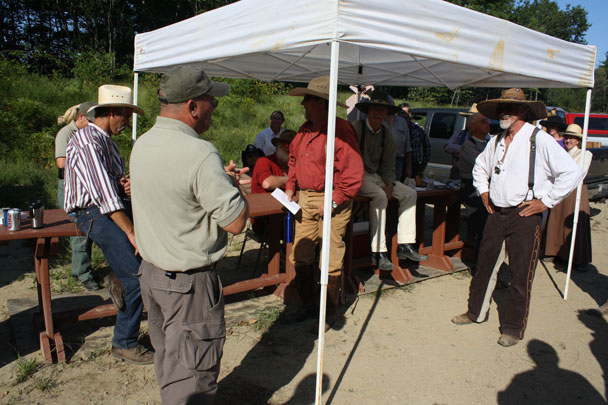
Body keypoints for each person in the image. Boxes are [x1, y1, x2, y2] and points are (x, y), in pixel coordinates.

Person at [130, 66, 248, 404]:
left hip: (152, 275)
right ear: (193, 106)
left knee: (170, 363)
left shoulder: (143, 143)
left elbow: (174, 198)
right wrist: (231, 186)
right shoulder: (200, 153)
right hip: (188, 284)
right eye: (211, 101)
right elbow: (236, 223)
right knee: (192, 378)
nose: (216, 108)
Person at [451, 88, 582, 347]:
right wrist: (485, 191)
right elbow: (480, 167)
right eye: (501, 108)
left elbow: (571, 172)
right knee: (484, 266)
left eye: (509, 108)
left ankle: (512, 328)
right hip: (496, 213)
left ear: (523, 112)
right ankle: (476, 312)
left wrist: (545, 201)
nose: (503, 113)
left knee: (521, 274)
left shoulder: (539, 139)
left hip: (524, 215)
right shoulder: (497, 140)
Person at [64, 84, 153, 364]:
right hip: (94, 212)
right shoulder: (89, 141)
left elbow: (111, 185)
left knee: (141, 263)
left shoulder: (104, 140)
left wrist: (123, 184)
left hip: (106, 208)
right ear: (113, 113)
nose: (127, 123)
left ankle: (117, 275)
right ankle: (124, 342)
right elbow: (103, 196)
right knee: (137, 276)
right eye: (125, 117)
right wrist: (131, 232)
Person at [285, 76, 364, 331]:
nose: (303, 105)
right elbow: (294, 161)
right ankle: (310, 306)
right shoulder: (304, 129)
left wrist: (333, 201)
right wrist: (290, 186)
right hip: (306, 198)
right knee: (301, 254)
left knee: (329, 259)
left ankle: (328, 314)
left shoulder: (340, 129)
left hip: (332, 199)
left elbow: (352, 173)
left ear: (321, 103)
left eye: (308, 100)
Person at [351, 90, 427, 271]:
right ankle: (378, 252)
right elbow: (349, 159)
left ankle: (405, 245)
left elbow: (388, 164)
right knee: (380, 197)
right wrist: (383, 186)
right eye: (375, 109)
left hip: (378, 175)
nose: (378, 114)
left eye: (383, 111)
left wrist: (389, 183)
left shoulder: (387, 134)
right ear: (368, 111)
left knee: (409, 193)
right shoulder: (356, 128)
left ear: (387, 114)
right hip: (358, 175)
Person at [55, 102, 99, 290]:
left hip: (83, 186)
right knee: (79, 230)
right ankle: (83, 274)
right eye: (90, 121)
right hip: (69, 186)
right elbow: (61, 163)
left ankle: (79, 270)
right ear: (81, 117)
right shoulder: (66, 133)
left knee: (83, 230)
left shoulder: (86, 132)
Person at [543, 124, 592, 270]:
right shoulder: (562, 152)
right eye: (567, 137)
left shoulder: (585, 154)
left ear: (578, 141)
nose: (568, 140)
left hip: (575, 192)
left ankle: (577, 259)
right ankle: (556, 253)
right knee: (556, 222)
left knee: (575, 224)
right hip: (560, 190)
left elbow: (578, 173)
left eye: (572, 138)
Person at [454, 113, 491, 270]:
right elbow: (484, 166)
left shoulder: (489, 143)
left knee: (488, 228)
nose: (488, 123)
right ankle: (479, 266)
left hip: (485, 189)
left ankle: (485, 265)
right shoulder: (468, 146)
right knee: (481, 226)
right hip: (472, 189)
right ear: (474, 127)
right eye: (484, 121)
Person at [251, 129, 296, 237]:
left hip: (287, 215)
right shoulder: (264, 161)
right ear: (278, 146)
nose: (288, 148)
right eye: (285, 145)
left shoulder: (294, 165)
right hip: (264, 220)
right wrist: (291, 179)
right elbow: (267, 183)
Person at [444, 103, 479, 179]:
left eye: (471, 118)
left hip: (474, 171)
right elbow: (447, 147)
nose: (468, 121)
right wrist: (466, 149)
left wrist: (459, 150)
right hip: (457, 169)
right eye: (468, 118)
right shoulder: (459, 133)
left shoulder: (486, 137)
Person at [399, 102, 431, 179]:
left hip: (414, 164)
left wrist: (424, 163)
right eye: (400, 113)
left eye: (404, 113)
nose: (402, 116)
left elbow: (427, 146)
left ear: (409, 114)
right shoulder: (395, 128)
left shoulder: (418, 129)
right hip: (398, 163)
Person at [383, 99, 413, 182]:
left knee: (396, 186)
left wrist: (408, 167)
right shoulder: (380, 121)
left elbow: (408, 147)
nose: (389, 107)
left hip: (398, 161)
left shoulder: (402, 122)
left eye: (391, 104)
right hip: (383, 161)